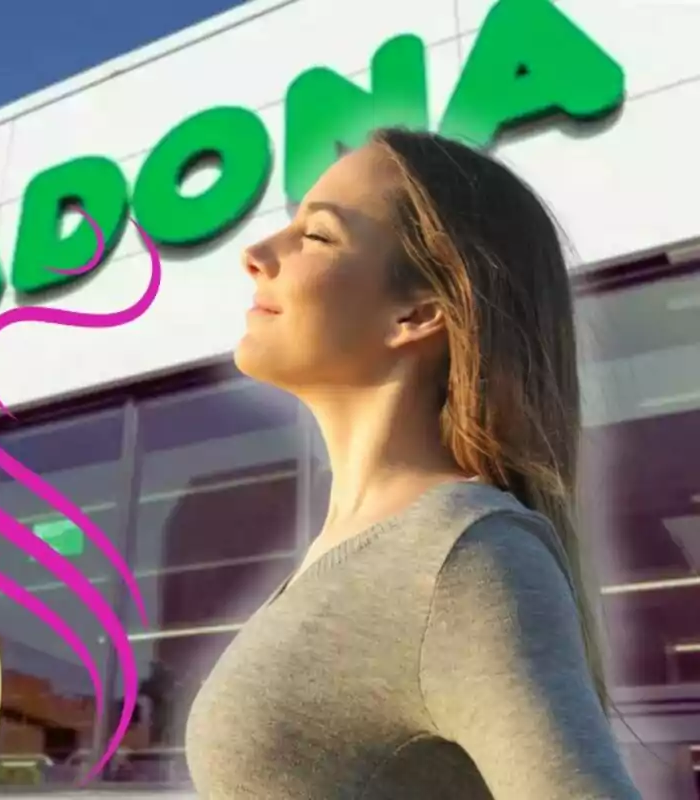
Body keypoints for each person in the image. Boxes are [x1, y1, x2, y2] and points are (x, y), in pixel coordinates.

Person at [184, 128, 642, 799]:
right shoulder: (361, 550)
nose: (256, 254)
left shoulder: (462, 555)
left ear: (420, 311)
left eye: (316, 236)